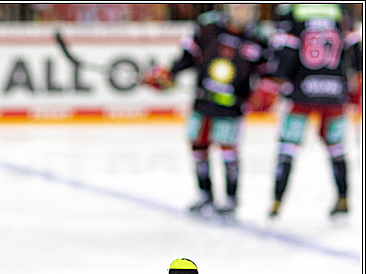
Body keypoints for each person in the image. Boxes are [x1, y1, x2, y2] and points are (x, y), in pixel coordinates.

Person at [142, 4, 271, 219]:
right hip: (203, 103)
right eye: (239, 8)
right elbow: (186, 58)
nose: (243, 13)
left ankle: (231, 198)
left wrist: (265, 91)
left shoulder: (257, 38)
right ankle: (204, 195)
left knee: (229, 152)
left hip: (232, 107)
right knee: (198, 147)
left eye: (248, 9)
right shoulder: (207, 28)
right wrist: (168, 75)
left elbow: (267, 71)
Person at [266, 3, 363, 221]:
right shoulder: (340, 10)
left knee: (287, 147)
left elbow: (286, 53)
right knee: (337, 149)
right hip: (335, 93)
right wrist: (358, 75)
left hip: (301, 92)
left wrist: (278, 80)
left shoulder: (293, 11)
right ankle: (343, 199)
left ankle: (276, 201)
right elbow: (355, 48)